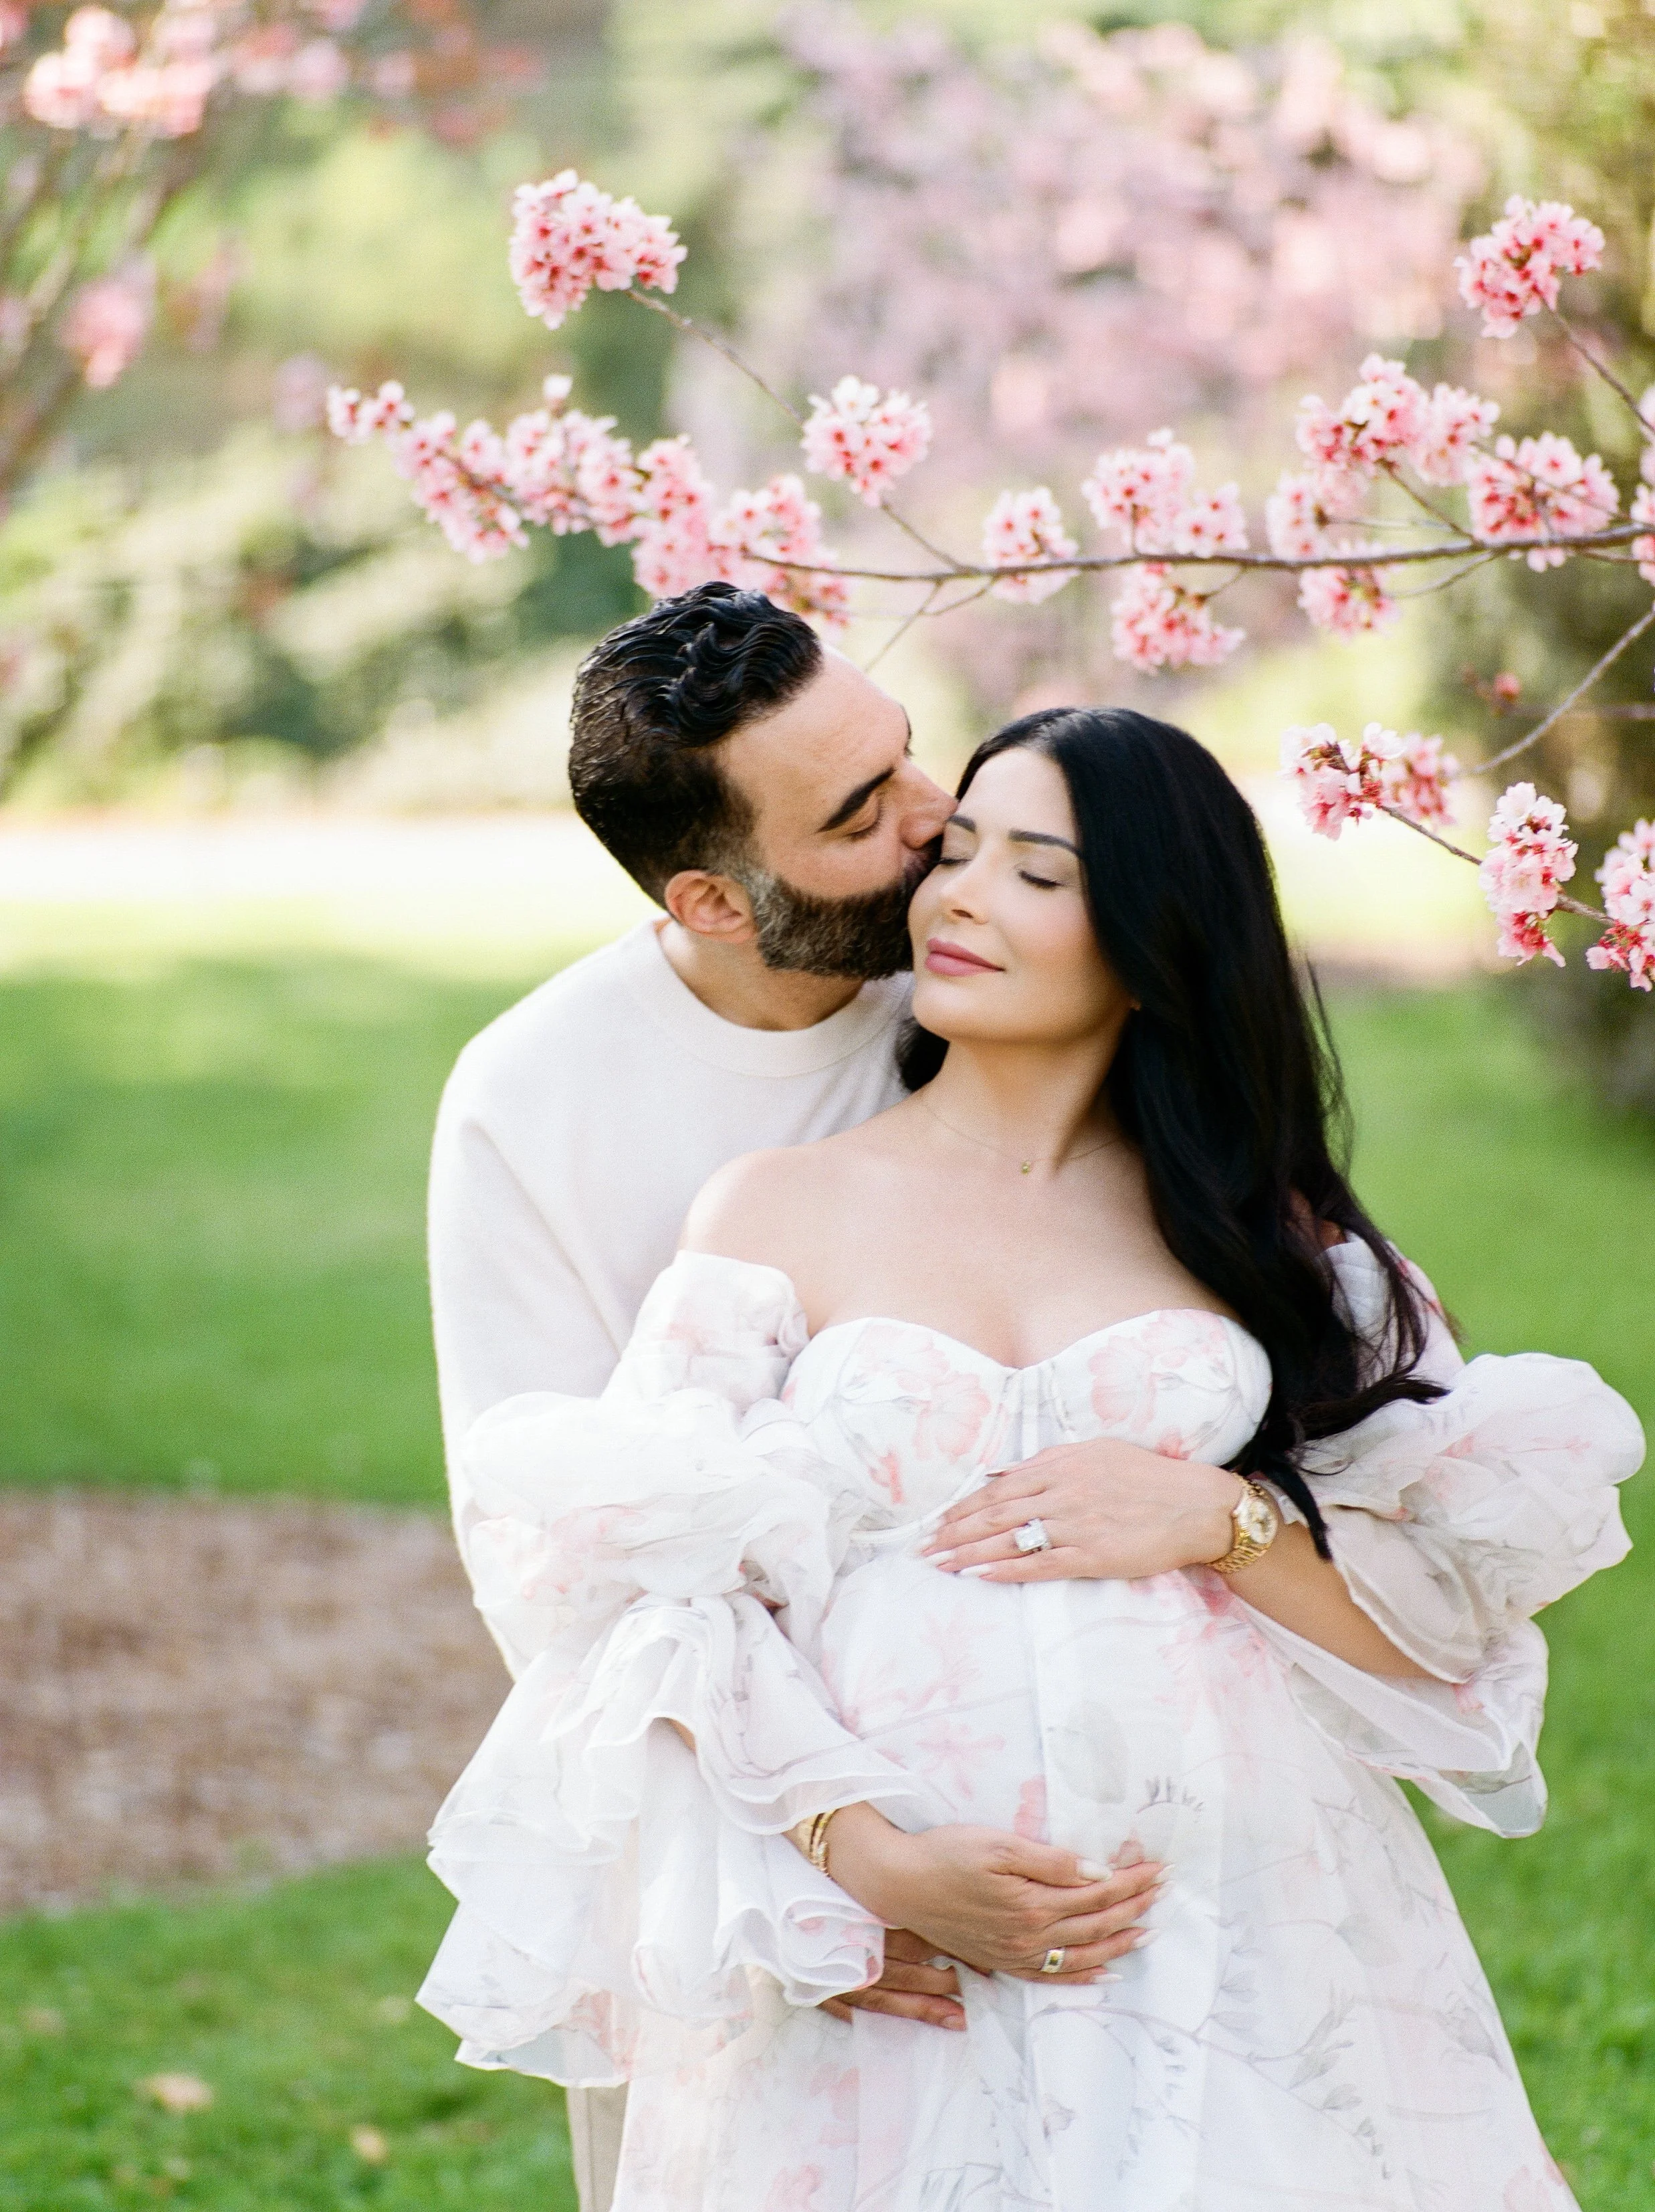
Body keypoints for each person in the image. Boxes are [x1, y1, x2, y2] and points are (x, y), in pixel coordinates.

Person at [421, 706, 1641, 2210]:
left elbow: (1440, 1620)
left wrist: (1221, 1520)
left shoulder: (1270, 1246)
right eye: (961, 848)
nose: (956, 894)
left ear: (1150, 937)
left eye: (1036, 873)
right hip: (899, 1954)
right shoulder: (776, 1210)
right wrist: (854, 1862)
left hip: (1229, 1913)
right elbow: (662, 1603)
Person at [427, 588, 1164, 2212]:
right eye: (858, 817)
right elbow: (558, 1563)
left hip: (1076, 1826)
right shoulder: (533, 1100)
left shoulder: (991, 978)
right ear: (712, 895)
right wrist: (795, 1887)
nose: (937, 829)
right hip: (728, 1833)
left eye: (910, 757)